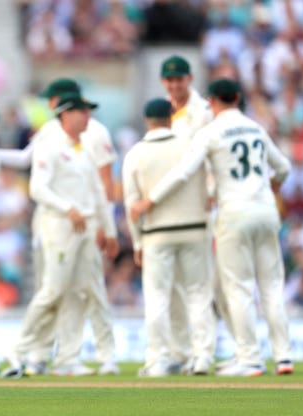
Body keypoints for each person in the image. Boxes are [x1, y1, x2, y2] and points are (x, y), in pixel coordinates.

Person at [130, 79, 293, 377]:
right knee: (271, 286)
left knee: (238, 288)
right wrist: (274, 185)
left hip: (234, 214)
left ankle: (250, 358)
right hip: (266, 211)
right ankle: (283, 357)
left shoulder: (211, 131)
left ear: (212, 102)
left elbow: (183, 173)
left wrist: (149, 200)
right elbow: (283, 167)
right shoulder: (256, 128)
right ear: (239, 98)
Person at [0, 78, 120, 376]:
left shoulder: (84, 148)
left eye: (88, 112)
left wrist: (111, 230)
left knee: (81, 292)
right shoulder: (49, 145)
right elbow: (37, 189)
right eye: (82, 111)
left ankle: (68, 359)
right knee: (52, 290)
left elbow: (98, 194)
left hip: (85, 227)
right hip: (59, 227)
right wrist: (69, 209)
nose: (87, 117)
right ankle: (19, 353)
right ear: (65, 113)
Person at [122, 98, 214, 377]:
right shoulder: (190, 145)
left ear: (145, 119)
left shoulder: (135, 153)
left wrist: (137, 242)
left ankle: (160, 359)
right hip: (194, 228)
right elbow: (208, 185)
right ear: (171, 115)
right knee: (198, 294)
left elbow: (131, 203)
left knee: (157, 297)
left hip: (157, 234)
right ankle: (201, 357)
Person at [158, 55, 229, 373]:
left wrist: (212, 191)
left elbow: (215, 155)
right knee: (170, 283)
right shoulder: (161, 111)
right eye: (169, 81)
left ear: (189, 79)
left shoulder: (203, 113)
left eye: (179, 80)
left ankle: (203, 353)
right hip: (165, 205)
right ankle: (180, 350)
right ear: (163, 82)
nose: (174, 86)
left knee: (199, 285)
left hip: (197, 204)